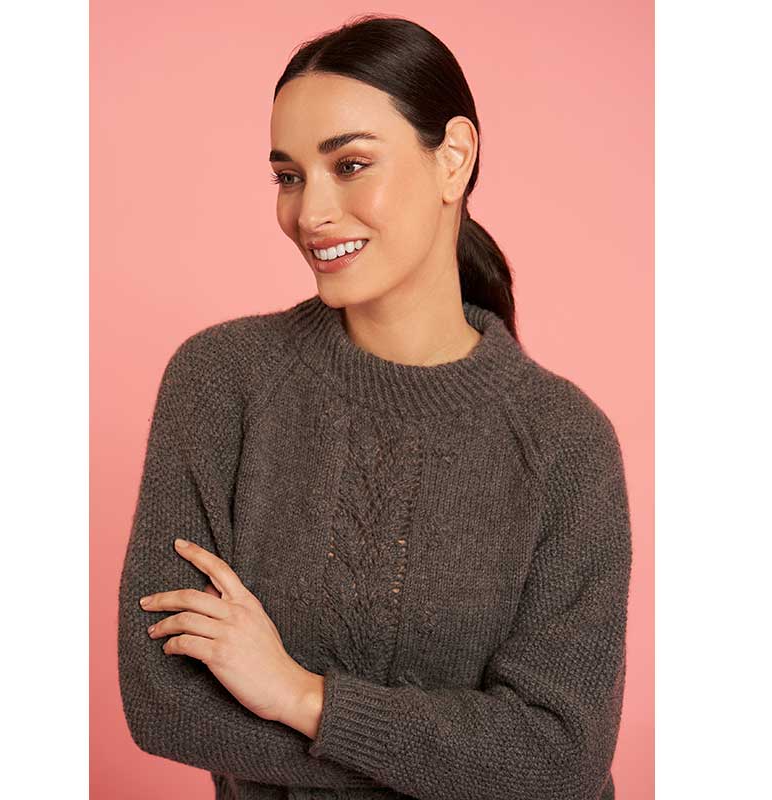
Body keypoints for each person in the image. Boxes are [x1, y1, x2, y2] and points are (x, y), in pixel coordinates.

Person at [117, 14, 633, 800]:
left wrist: (301, 696)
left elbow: (559, 757)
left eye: (350, 165)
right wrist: (455, 760)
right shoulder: (222, 382)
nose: (309, 213)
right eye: (288, 177)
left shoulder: (565, 443)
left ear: (453, 159)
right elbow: (166, 705)